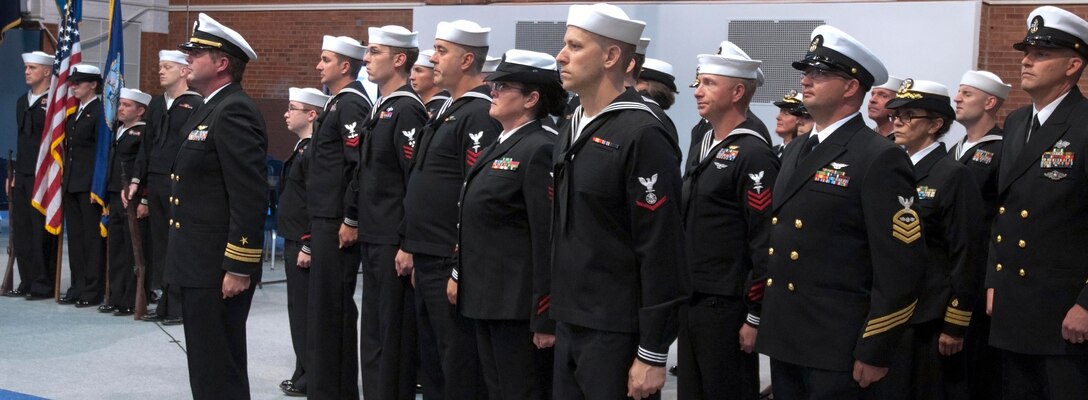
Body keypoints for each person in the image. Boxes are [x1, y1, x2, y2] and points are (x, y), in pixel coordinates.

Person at [755, 25, 925, 398]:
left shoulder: (879, 157)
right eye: (806, 72)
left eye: (820, 73)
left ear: (851, 87)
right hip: (788, 335)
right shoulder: (798, 150)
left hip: (839, 344)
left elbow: (900, 268)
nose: (806, 80)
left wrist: (876, 347)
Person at [551, 4, 688, 398]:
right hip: (571, 318)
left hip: (617, 330)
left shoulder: (642, 132)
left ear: (611, 56)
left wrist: (653, 351)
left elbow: (661, 248)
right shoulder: (573, 124)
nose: (561, 56)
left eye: (575, 46)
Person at [449, 49, 562, 400]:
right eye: (494, 84)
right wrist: (459, 273)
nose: (492, 91)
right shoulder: (502, 142)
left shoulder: (540, 147)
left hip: (516, 307)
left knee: (520, 391)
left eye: (504, 86)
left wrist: (543, 315)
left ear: (532, 98)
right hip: (487, 298)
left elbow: (546, 238)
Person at [987, 6, 1088, 399]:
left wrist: (1086, 303)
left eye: (1042, 53)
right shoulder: (1015, 123)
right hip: (1014, 306)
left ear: (1072, 64)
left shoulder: (1083, 124)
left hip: (1066, 314)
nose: (1026, 60)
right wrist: (994, 280)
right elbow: (1004, 209)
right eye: (1026, 52)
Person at [400, 19, 499, 399]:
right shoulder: (447, 109)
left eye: (442, 51)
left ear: (467, 59)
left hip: (448, 258)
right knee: (435, 363)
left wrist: (458, 265)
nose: (433, 58)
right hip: (428, 254)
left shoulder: (479, 114)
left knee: (459, 366)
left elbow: (471, 196)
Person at [171, 13, 267, 399]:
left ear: (222, 63)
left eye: (196, 53)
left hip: (217, 266)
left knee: (219, 367)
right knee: (207, 365)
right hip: (197, 261)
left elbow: (248, 194)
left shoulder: (234, 110)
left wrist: (239, 265)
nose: (188, 59)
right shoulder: (208, 107)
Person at [679, 51, 778, 400]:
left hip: (727, 303)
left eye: (709, 83)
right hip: (693, 295)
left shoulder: (754, 152)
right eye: (699, 82)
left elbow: (763, 239)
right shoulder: (702, 139)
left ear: (737, 93)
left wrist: (754, 314)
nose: (697, 91)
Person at [881, 79, 987, 399]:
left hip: (930, 315)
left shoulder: (952, 174)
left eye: (909, 114)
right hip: (890, 309)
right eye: (896, 114)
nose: (897, 121)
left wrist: (955, 321)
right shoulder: (890, 169)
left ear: (935, 124)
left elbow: (967, 252)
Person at [358, 25, 428, 400]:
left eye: (374, 52)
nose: (366, 59)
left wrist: (406, 240)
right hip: (374, 234)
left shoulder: (406, 110)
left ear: (399, 59)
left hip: (392, 240)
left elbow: (412, 181)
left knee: (392, 339)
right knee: (374, 335)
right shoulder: (383, 107)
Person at [306, 33, 371, 400]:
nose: (319, 65)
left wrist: (350, 218)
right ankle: (325, 384)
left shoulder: (351, 104)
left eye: (326, 60)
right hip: (324, 217)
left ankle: (336, 389)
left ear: (345, 66)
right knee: (323, 307)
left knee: (334, 309)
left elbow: (356, 166)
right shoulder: (336, 103)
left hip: (336, 221)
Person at [130, 49, 202, 326]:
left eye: (168, 67)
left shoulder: (195, 103)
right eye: (160, 66)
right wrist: (138, 180)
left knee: (178, 243)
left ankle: (180, 304)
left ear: (184, 71)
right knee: (160, 243)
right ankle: (165, 300)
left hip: (180, 183)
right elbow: (146, 146)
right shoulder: (158, 104)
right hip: (156, 182)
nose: (161, 71)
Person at [950, 69, 1009, 400]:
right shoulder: (953, 150)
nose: (957, 98)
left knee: (978, 370)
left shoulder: (1002, 151)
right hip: (950, 271)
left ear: (990, 102)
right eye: (958, 92)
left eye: (966, 94)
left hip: (979, 271)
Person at [276, 86, 327, 397]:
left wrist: (308, 244)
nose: (286, 113)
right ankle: (302, 371)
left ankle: (310, 376)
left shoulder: (313, 151)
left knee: (306, 313)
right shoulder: (302, 148)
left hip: (303, 242)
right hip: (293, 238)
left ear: (311, 114)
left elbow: (316, 201)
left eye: (293, 108)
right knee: (298, 310)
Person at [7, 51, 57, 300]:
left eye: (33, 68)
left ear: (47, 72)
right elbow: (21, 140)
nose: (27, 72)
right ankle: (27, 280)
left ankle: (42, 282)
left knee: (40, 231)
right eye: (27, 67)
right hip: (24, 173)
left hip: (45, 176)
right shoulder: (21, 101)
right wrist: (15, 172)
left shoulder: (54, 104)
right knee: (23, 230)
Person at [100, 88, 152, 317]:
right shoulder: (119, 131)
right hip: (115, 194)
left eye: (127, 105)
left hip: (133, 197)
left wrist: (144, 199)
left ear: (140, 111)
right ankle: (115, 295)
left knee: (134, 251)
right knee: (117, 249)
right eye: (120, 104)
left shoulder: (143, 133)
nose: (120, 108)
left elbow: (147, 167)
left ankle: (132, 298)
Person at [60, 63, 106, 307]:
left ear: (93, 85)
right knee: (76, 240)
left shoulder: (99, 112)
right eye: (73, 82)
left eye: (79, 82)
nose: (74, 86)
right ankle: (77, 286)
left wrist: (97, 186)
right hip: (72, 184)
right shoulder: (77, 112)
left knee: (91, 239)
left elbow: (101, 152)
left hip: (90, 186)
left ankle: (92, 289)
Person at [772, 90, 813, 158]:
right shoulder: (772, 151)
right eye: (780, 111)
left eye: (786, 113)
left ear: (802, 119)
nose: (778, 117)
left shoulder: (805, 155)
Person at [410, 49, 449, 119]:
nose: (411, 77)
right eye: (412, 70)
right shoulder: (416, 105)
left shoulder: (443, 106)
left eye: (418, 71)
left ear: (435, 74)